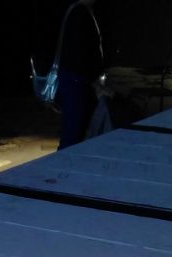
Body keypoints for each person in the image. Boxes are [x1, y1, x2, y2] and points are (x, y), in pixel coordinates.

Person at [56, 0, 104, 150]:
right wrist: (94, 76)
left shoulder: (80, 11)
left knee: (75, 130)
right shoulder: (79, 13)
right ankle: (64, 161)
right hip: (76, 80)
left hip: (76, 79)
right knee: (73, 132)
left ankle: (67, 159)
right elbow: (81, 52)